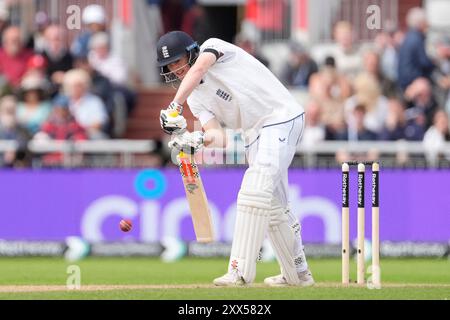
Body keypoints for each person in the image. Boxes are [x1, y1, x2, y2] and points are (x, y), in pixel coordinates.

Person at [156, 31, 314, 287]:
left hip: (280, 117)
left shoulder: (213, 47)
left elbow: (198, 70)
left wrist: (174, 107)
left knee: (254, 187)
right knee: (273, 207)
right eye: (170, 66)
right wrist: (194, 139)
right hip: (254, 135)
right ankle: (298, 274)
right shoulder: (196, 99)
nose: (176, 69)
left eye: (178, 60)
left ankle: (239, 271)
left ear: (191, 51)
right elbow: (219, 137)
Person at [398, 7, 434, 91]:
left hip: (405, 80)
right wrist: (435, 62)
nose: (428, 24)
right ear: (419, 23)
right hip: (412, 81)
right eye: (425, 22)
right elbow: (424, 62)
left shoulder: (410, 36)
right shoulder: (417, 38)